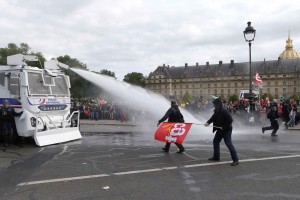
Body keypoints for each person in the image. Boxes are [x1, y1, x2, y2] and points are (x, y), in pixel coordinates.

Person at [204, 98, 239, 166]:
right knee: (215, 142)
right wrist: (208, 122)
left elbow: (230, 120)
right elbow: (213, 117)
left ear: (218, 104)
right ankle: (216, 157)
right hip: (220, 130)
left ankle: (235, 160)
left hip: (226, 130)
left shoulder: (224, 111)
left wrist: (223, 127)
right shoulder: (216, 110)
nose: (213, 105)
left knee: (228, 143)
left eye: (214, 104)